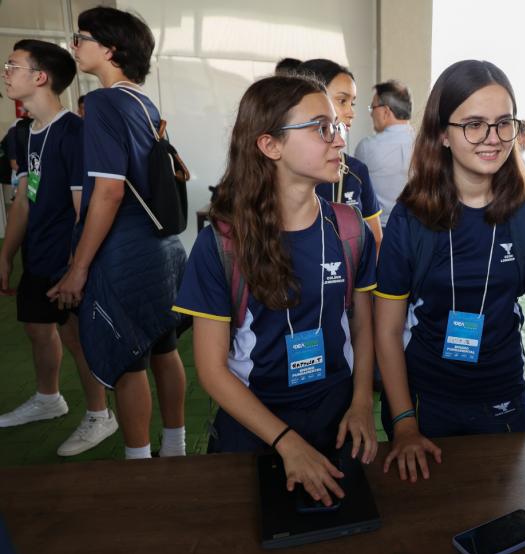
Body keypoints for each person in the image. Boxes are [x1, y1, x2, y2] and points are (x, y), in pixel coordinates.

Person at [172, 75, 378, 506]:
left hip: (337, 418)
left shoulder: (349, 230)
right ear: (270, 145)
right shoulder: (222, 245)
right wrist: (287, 443)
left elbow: (362, 328)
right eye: (322, 127)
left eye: (338, 126)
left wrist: (361, 403)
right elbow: (211, 370)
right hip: (254, 425)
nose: (339, 139)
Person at [374, 59, 525, 483]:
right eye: (474, 124)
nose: (492, 138)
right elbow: (387, 329)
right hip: (427, 397)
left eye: (504, 123)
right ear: (442, 134)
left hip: (503, 395)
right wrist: (405, 421)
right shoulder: (411, 218)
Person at [51, 7, 188, 459]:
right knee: (164, 348)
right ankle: (175, 448)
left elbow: (107, 193)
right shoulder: (141, 102)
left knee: (129, 363)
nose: (75, 45)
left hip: (126, 252)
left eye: (81, 37)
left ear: (109, 50)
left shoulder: (106, 103)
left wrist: (78, 268)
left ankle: (139, 464)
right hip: (161, 249)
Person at [0, 39, 117, 456]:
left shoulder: (75, 133)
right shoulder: (24, 134)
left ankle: (100, 415)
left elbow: (84, 209)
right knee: (37, 328)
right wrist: (6, 253)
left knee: (76, 338)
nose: (5, 73)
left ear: (40, 77)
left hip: (66, 261)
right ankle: (49, 399)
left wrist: (75, 268)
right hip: (37, 255)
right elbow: (24, 199)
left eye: (13, 66)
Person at [299, 59, 383, 247]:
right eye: (342, 101)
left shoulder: (355, 171)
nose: (351, 112)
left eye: (352, 103)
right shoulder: (284, 170)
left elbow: (376, 240)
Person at [354, 79, 414, 228]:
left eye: (373, 108)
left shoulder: (367, 147)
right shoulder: (424, 145)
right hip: (416, 230)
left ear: (386, 111)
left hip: (378, 233)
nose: (371, 114)